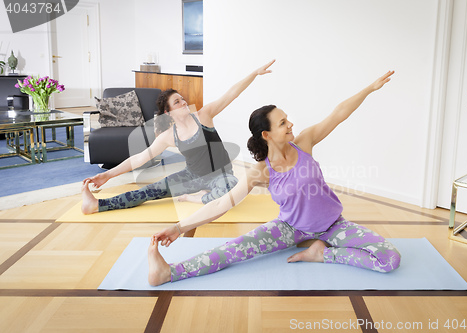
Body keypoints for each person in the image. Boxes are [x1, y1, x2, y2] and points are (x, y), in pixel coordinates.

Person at [148, 70, 401, 286]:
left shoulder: (305, 142)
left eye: (287, 119)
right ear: (266, 134)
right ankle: (169, 272)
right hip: (289, 228)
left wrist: (369, 89)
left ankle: (320, 254)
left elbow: (338, 114)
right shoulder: (261, 171)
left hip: (334, 225)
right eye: (283, 123)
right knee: (233, 249)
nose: (290, 124)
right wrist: (180, 228)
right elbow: (220, 204)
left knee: (389, 258)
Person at [81, 60, 275, 214]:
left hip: (220, 176)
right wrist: (107, 174)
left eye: (182, 98)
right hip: (191, 177)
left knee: (232, 187)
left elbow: (231, 94)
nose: (183, 102)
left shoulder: (204, 116)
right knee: (148, 192)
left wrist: (254, 74)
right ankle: (97, 205)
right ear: (169, 112)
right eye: (177, 101)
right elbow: (139, 158)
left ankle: (196, 197)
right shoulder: (168, 136)